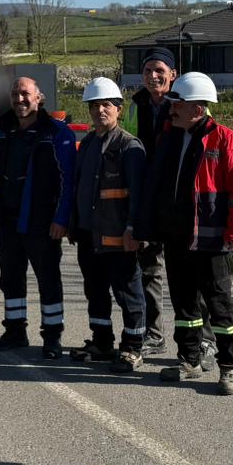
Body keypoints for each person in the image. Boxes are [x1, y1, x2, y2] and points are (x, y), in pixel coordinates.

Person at [133, 71, 233, 395]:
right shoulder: (169, 138)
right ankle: (189, 359)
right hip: (177, 237)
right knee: (184, 304)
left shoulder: (228, 141)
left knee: (219, 305)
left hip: (213, 241)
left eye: (177, 104)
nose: (170, 108)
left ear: (197, 109)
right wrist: (149, 227)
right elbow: (156, 188)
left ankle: (230, 366)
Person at [0, 76, 75, 358]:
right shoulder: (2, 130)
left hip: (42, 223)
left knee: (48, 281)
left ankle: (52, 336)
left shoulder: (56, 132)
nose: (19, 99)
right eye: (15, 94)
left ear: (39, 97)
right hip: (7, 222)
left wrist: (61, 219)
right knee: (11, 279)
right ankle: (15, 331)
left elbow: (67, 180)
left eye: (25, 94)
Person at [68, 77, 148, 373]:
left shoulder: (130, 146)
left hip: (118, 236)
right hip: (89, 235)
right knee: (96, 291)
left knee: (128, 293)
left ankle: (132, 348)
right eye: (95, 105)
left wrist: (133, 230)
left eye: (107, 105)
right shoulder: (88, 143)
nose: (100, 110)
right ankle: (102, 343)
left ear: (119, 109)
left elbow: (137, 196)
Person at [122, 48, 178, 354]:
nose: (153, 76)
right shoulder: (136, 107)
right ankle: (154, 334)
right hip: (148, 200)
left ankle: (201, 340)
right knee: (149, 270)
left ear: (173, 75)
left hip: (179, 201)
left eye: (159, 70)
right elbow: (130, 149)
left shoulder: (186, 103)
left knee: (189, 273)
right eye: (147, 71)